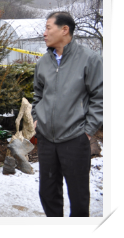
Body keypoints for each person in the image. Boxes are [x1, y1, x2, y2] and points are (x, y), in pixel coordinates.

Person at [31, 11, 103, 217]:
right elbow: (37, 95)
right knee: (47, 193)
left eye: (48, 27)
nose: (44, 33)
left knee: (79, 198)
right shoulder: (43, 62)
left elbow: (100, 97)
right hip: (46, 139)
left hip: (75, 139)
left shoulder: (89, 59)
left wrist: (88, 131)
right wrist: (37, 119)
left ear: (65, 30)